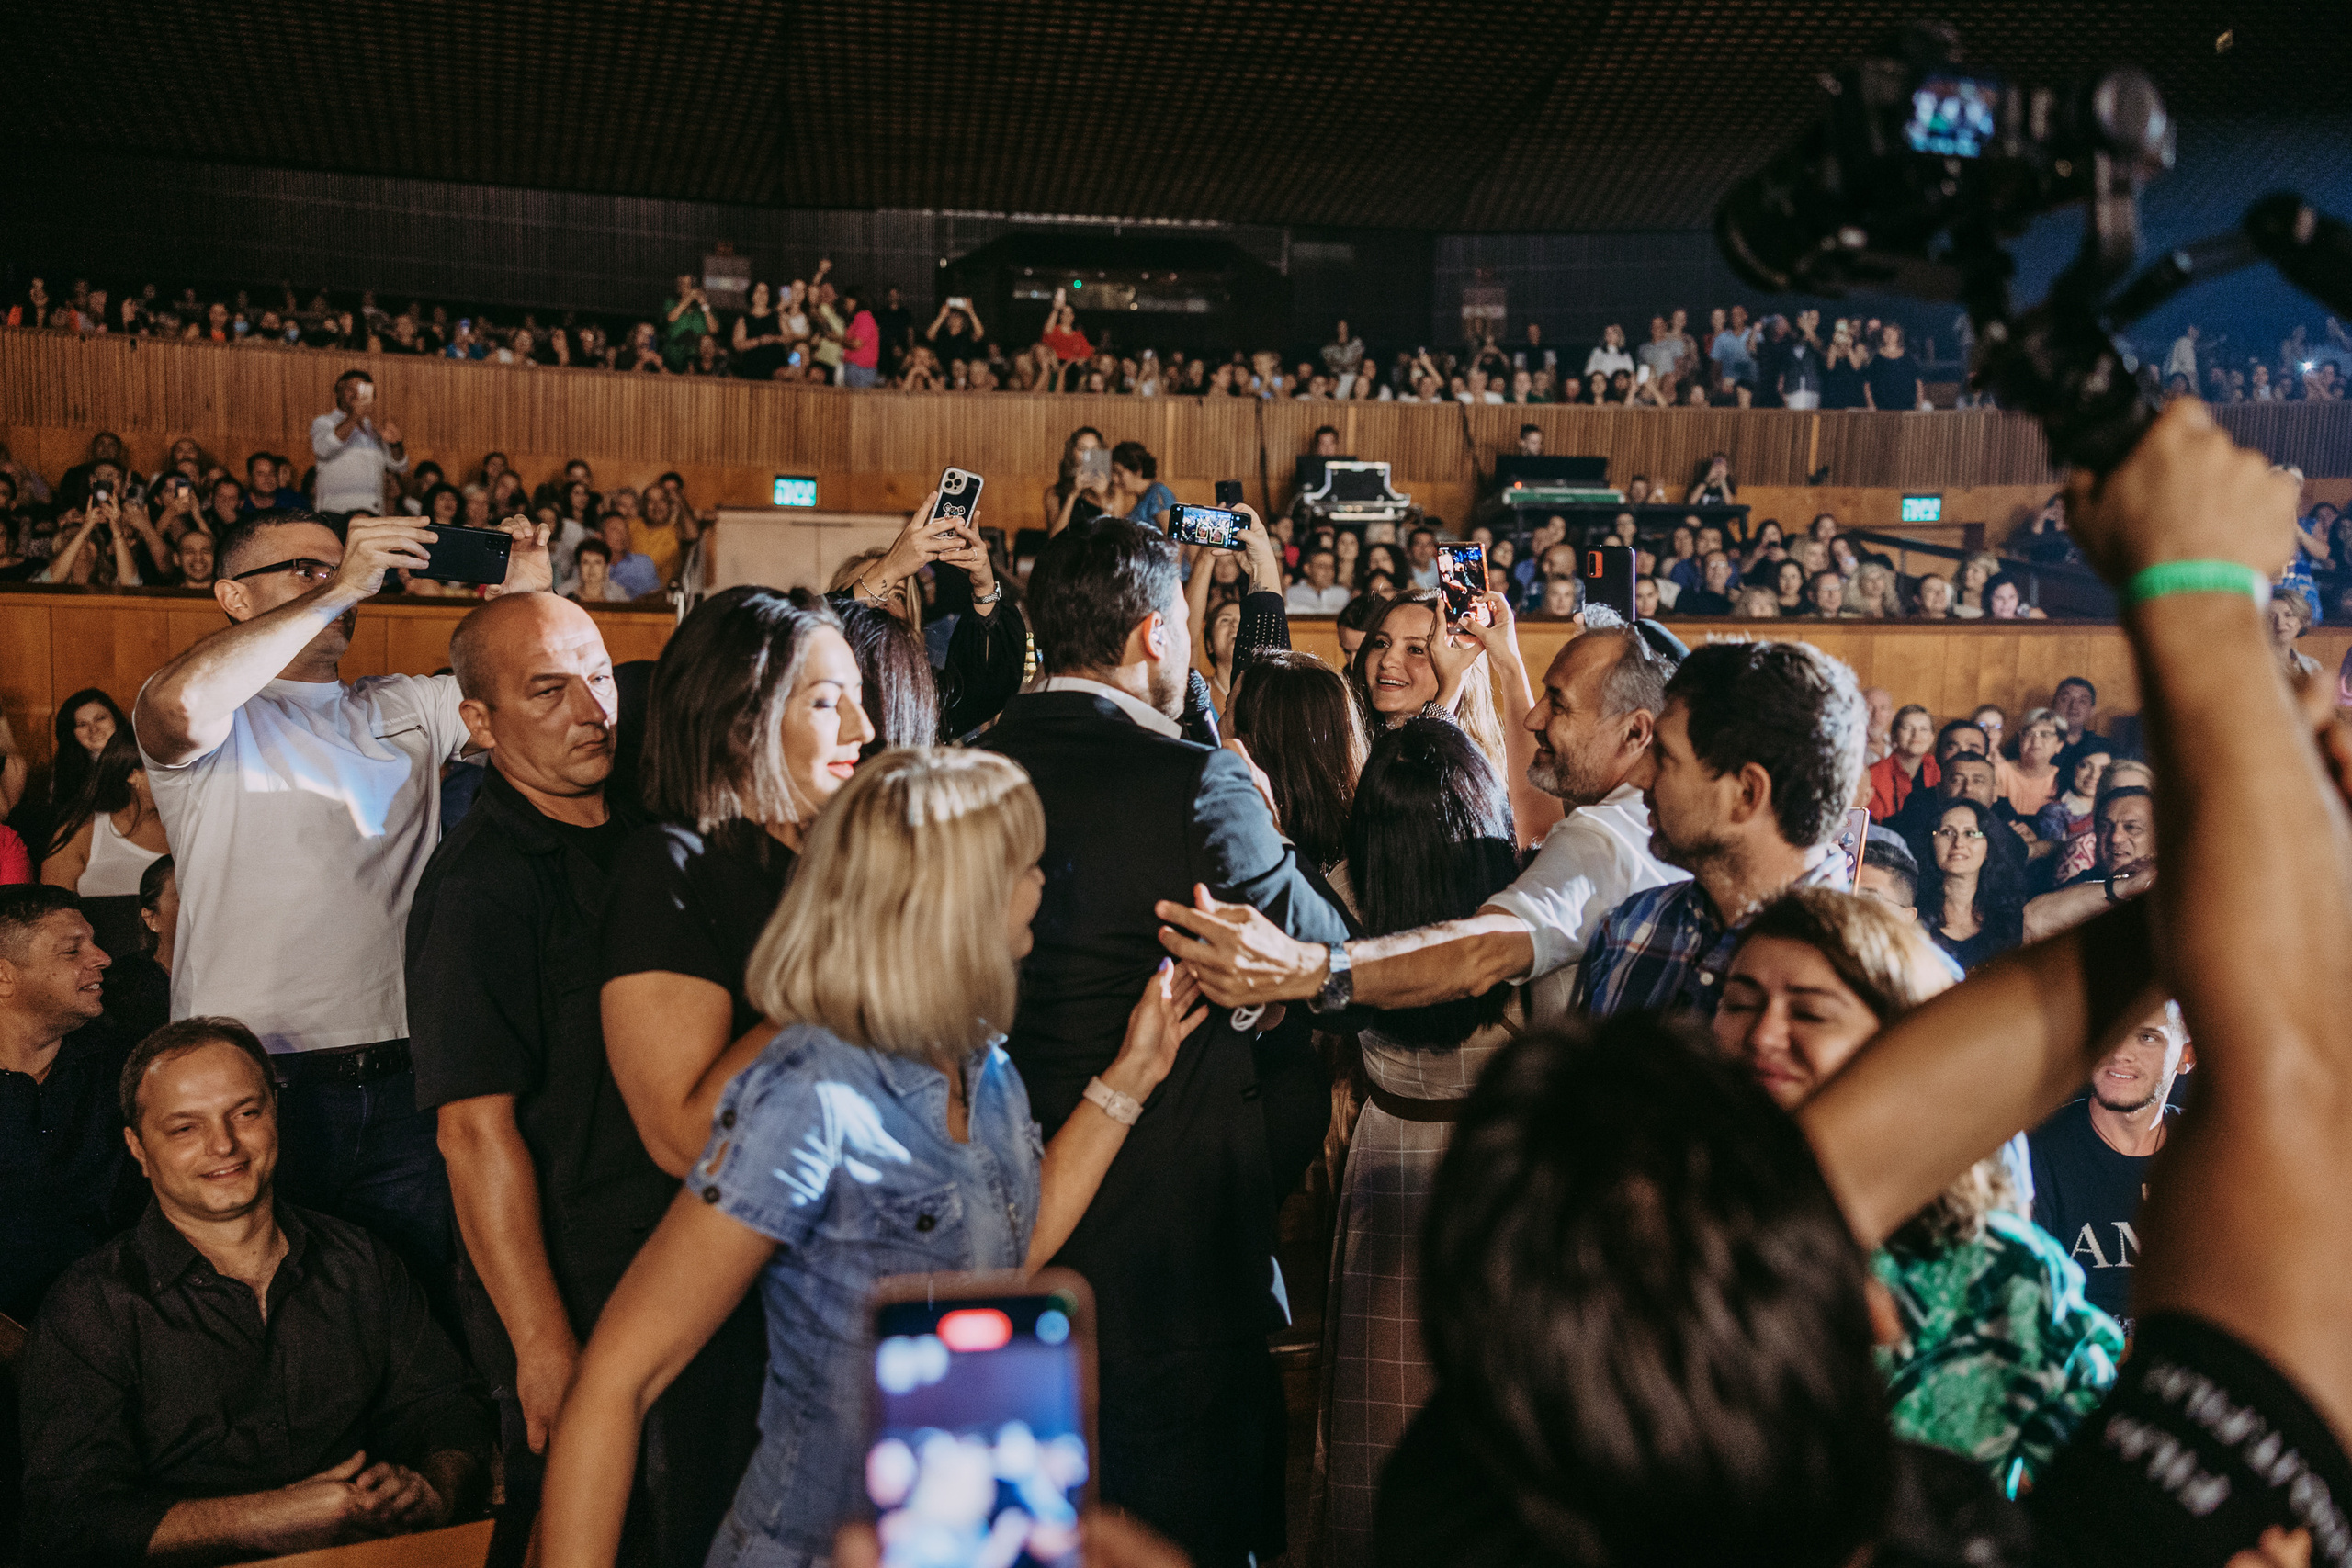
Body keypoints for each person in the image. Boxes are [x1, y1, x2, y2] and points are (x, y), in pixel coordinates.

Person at [539, 750, 1208, 1568]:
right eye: (1025, 863)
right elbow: (618, 1377)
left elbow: (1010, 1251)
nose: (1042, 881)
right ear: (954, 898)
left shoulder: (983, 1062)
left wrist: (1132, 1073)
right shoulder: (814, 1089)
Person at [981, 520, 1350, 1565]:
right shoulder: (1196, 781)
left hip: (1001, 1224)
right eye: (1184, 630)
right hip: (1175, 1255)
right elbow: (1327, 957)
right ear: (1155, 634)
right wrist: (1268, 835)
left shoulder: (964, 765)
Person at [401, 593, 754, 1567]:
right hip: (579, 1271)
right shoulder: (480, 886)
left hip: (695, 1245)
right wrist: (540, 1342)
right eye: (547, 691)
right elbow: (473, 1134)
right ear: (482, 723)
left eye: (597, 676)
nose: (591, 710)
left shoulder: (655, 824)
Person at [130, 507, 550, 1310]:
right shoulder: (214, 714)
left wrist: (525, 589)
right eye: (306, 571)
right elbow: (178, 707)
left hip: (407, 1076)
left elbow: (524, 691)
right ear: (233, 596)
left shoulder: (406, 705)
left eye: (349, 572)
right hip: (261, 1085)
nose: (340, 590)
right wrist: (343, 583)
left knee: (414, 1305)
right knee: (278, 1312)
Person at [20, 1018, 494, 1566]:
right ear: (138, 1148)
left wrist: (433, 1488)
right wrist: (269, 1518)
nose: (224, 1145)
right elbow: (68, 1520)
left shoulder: (361, 1262)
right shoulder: (91, 1307)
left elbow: (448, 1407)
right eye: (184, 1129)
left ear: (276, 1116)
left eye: (245, 1114)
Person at [1713, 889, 2119, 1492]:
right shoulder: (1670, 1225)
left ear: (1906, 1042)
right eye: (1740, 1003)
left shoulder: (2005, 1275)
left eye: (1811, 1012)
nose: (1763, 1034)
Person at [1162, 625, 1684, 1032]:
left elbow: (1480, 952)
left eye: (1560, 703)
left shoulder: (1600, 838)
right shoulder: (1646, 816)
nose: (1534, 718)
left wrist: (1307, 965)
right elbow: (1537, 817)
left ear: (1636, 730)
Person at [598, 587, 873, 1184]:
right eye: (828, 702)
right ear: (740, 720)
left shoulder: (834, 862)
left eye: (859, 697)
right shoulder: (669, 869)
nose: (865, 727)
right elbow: (683, 1137)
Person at [1573, 639, 1867, 1019]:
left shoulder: (1875, 976)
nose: (1637, 775)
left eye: (1664, 755)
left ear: (1746, 793)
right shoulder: (1630, 928)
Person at [0, 886, 145, 1324]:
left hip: (119, 1323)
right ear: (4, 976)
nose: (102, 958)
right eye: (71, 951)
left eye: (94, 941)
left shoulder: (127, 1068)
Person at [2027, 1001, 2192, 1327]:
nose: (2119, 1051)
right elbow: (2028, 1309)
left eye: (2146, 1037)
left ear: (2186, 1057)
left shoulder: (2203, 1149)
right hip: (2076, 1367)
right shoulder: (2036, 1149)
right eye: (2110, 1028)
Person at [1224, 649, 1367, 878]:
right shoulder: (1366, 834)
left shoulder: (1237, 839)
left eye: (1226, 709)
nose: (1219, 722)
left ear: (1250, 741)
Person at [1345, 589, 1509, 776]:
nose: (1387, 660)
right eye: (1381, 643)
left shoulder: (1470, 770)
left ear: (1461, 668)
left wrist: (1448, 695)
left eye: (1415, 649)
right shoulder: (1340, 744)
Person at [1921, 797, 2027, 970]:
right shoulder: (1914, 913)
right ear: (1932, 843)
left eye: (1970, 833)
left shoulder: (2010, 919)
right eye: (1947, 832)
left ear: (1989, 848)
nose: (1958, 843)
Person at [309, 369, 410, 517]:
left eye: (362, 390)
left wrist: (396, 444)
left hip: (372, 512)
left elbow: (399, 466)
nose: (356, 394)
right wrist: (354, 416)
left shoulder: (373, 430)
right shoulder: (324, 422)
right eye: (351, 389)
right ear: (339, 392)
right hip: (335, 512)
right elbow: (323, 449)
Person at [1863, 323, 1924, 411]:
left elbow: (1918, 381)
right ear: (1882, 336)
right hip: (1882, 407)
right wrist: (1871, 404)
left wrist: (1919, 403)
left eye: (1892, 333)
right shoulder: (1876, 358)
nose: (1889, 336)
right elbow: (1867, 384)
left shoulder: (1908, 357)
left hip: (1906, 406)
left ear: (1898, 335)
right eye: (1886, 333)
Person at [1286, 546, 1352, 613]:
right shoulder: (1291, 594)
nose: (1328, 571)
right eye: (1322, 566)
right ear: (1307, 568)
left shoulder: (1343, 594)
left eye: (1331, 567)